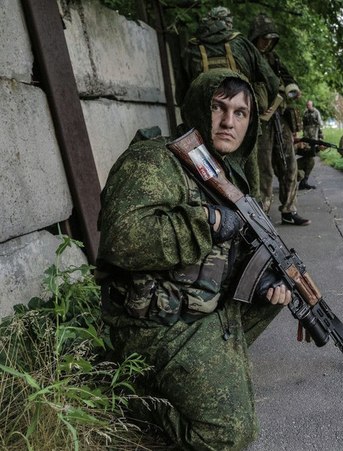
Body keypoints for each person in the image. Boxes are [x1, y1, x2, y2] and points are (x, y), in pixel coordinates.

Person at [96, 70, 292, 450]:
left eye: (240, 113)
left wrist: (267, 281)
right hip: (153, 324)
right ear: (201, 107)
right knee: (231, 436)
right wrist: (210, 221)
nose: (228, 122)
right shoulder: (156, 160)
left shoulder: (223, 169)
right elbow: (121, 239)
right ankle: (136, 399)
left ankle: (210, 368)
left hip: (195, 308)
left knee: (274, 294)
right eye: (219, 107)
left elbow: (227, 255)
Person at [179, 6, 280, 199]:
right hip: (242, 126)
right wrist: (254, 109)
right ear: (228, 23)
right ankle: (255, 216)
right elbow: (272, 81)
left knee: (204, 182)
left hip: (200, 130)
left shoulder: (191, 48)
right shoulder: (241, 43)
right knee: (250, 182)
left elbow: (182, 96)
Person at [249, 13, 310, 226]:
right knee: (263, 168)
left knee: (289, 165)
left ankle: (289, 209)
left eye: (270, 39)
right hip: (260, 121)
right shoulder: (247, 57)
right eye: (264, 38)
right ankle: (262, 212)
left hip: (279, 117)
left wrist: (291, 87)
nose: (267, 42)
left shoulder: (274, 59)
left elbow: (288, 78)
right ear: (256, 37)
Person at [297, 100, 324, 190]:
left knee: (310, 158)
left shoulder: (316, 112)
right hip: (306, 137)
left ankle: (304, 181)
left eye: (309, 105)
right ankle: (298, 180)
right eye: (307, 105)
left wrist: (320, 138)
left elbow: (320, 125)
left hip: (314, 136)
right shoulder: (305, 113)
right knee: (308, 156)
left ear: (312, 105)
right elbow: (303, 125)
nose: (308, 106)